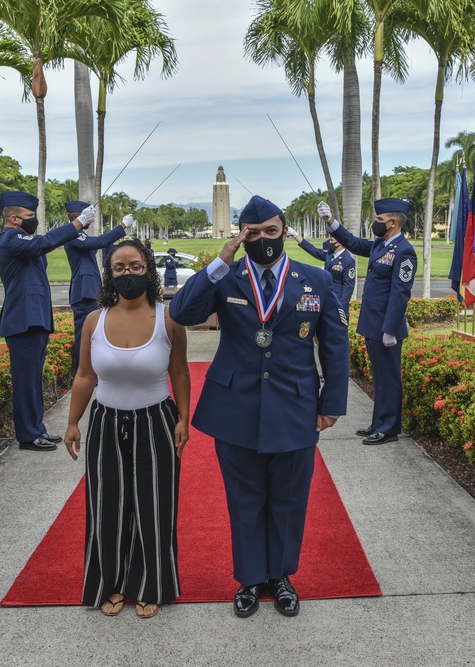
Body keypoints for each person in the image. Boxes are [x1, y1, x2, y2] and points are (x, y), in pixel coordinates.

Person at [169, 194, 349, 619]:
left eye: (272, 231)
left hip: (296, 405)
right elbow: (181, 310)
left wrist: (332, 403)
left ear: (285, 232)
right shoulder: (225, 278)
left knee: (288, 498)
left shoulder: (315, 280)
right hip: (237, 405)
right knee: (245, 497)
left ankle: (282, 577)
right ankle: (250, 578)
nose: (265, 239)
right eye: (254, 233)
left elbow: (336, 347)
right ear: (243, 235)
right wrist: (222, 258)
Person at [64, 239, 190, 620]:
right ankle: (112, 584)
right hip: (106, 422)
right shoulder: (93, 321)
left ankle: (153, 585)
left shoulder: (168, 318)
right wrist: (73, 421)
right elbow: (85, 375)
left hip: (156, 422)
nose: (127, 274)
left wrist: (184, 418)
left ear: (148, 270)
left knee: (154, 507)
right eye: (119, 268)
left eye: (135, 266)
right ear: (110, 274)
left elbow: (180, 371)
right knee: (107, 508)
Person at [0, 191, 99, 451]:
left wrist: (78, 227)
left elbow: (40, 244)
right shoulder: (10, 238)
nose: (34, 220)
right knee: (25, 380)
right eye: (30, 216)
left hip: (34, 319)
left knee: (33, 378)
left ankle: (36, 427)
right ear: (16, 219)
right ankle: (28, 435)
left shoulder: (23, 238)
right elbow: (41, 244)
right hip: (22, 320)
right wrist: (76, 224)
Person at [321, 198, 416, 445]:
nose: (376, 223)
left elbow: (400, 293)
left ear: (393, 223)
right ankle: (379, 422)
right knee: (379, 376)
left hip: (386, 327)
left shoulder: (404, 251)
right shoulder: (380, 244)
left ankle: (389, 429)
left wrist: (390, 329)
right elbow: (351, 242)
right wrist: (331, 222)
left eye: (380, 220)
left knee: (389, 378)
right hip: (373, 323)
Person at [62, 200, 132, 370]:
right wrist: (121, 227)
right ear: (76, 216)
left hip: (90, 288)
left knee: (94, 333)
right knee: (84, 334)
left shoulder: (81, 235)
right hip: (83, 291)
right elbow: (99, 242)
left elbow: (101, 243)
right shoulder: (71, 235)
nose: (89, 218)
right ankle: (84, 370)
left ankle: (93, 369)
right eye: (85, 215)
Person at [287, 226, 356, 320]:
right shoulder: (329, 254)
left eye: (332, 240)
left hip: (337, 300)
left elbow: (348, 287)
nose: (329, 242)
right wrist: (296, 236)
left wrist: (340, 308)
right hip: (325, 297)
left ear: (340, 242)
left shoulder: (348, 260)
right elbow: (313, 250)